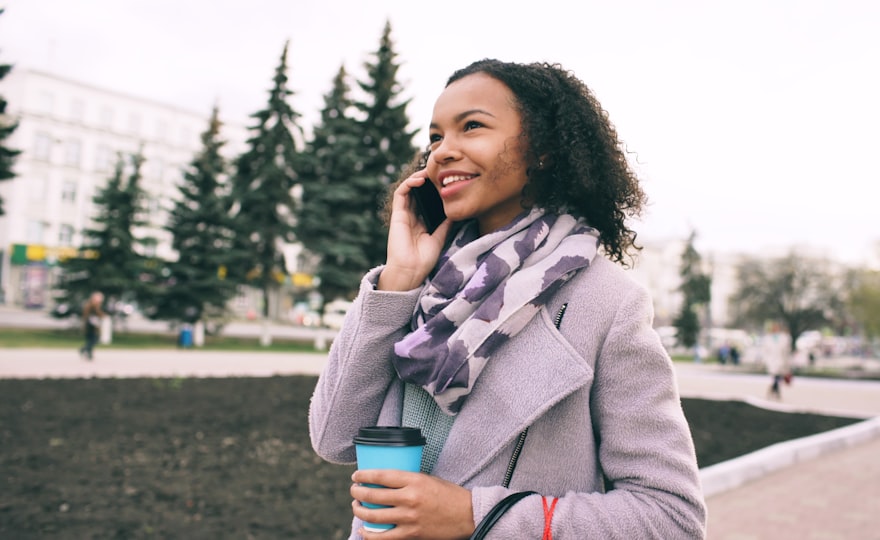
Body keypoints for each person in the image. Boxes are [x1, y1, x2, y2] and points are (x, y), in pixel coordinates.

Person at [309, 59, 706, 539]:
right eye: (435, 137)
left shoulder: (606, 304)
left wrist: (475, 515)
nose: (440, 153)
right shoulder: (423, 284)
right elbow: (333, 438)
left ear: (541, 149)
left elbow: (671, 518)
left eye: (471, 127)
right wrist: (400, 279)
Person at [79, 291, 105, 361]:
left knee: (91, 339)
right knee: (94, 339)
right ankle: (84, 349)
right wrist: (102, 315)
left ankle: (89, 353)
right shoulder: (92, 305)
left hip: (91, 325)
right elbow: (96, 314)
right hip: (90, 326)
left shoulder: (92, 305)